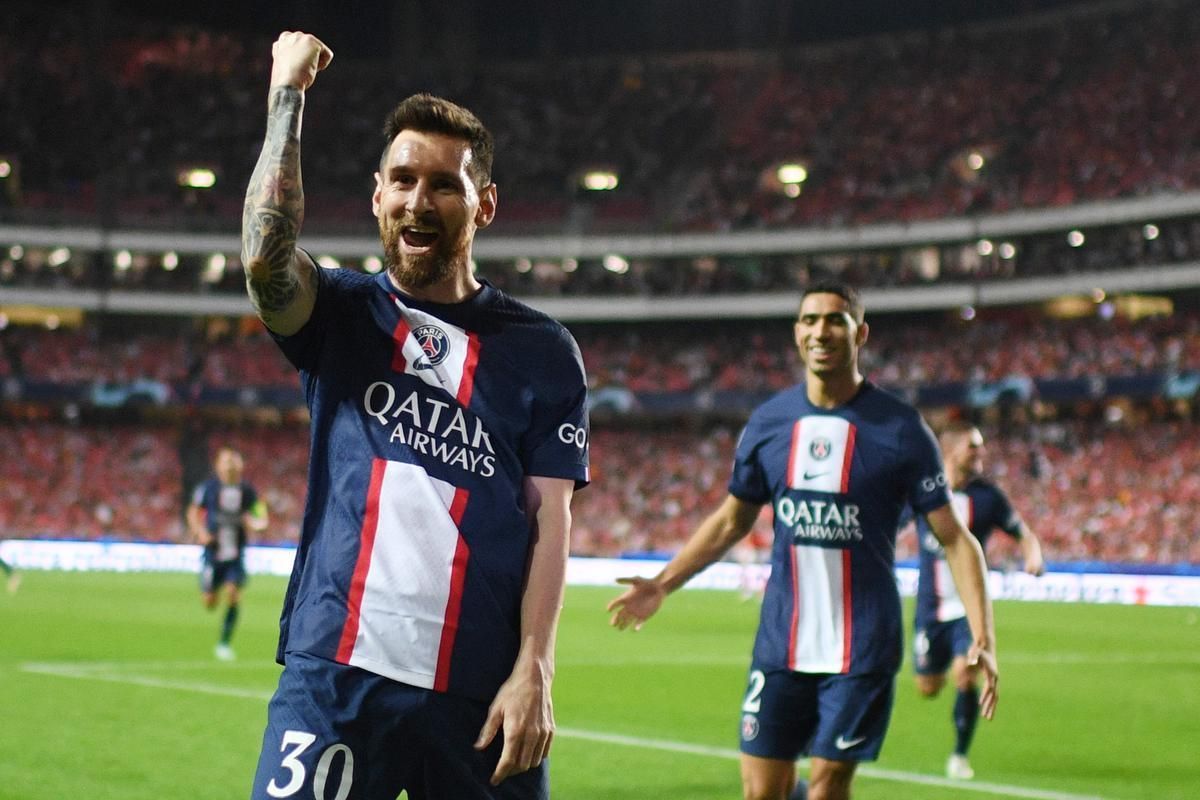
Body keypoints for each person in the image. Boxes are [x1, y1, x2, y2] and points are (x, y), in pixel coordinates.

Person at [240, 32, 589, 800]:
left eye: (443, 184)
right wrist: (287, 96)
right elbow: (266, 260)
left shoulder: (543, 351)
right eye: (401, 180)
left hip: (480, 694)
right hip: (337, 675)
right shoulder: (341, 313)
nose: (417, 202)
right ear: (376, 196)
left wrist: (536, 667)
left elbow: (550, 524)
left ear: (484, 204)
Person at [607, 281, 998, 800]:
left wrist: (983, 637)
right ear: (797, 334)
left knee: (827, 788)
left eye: (835, 320)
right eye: (810, 320)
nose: (821, 330)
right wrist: (661, 584)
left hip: (862, 648)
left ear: (859, 333)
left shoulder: (901, 429)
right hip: (781, 644)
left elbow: (956, 538)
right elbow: (731, 521)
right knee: (760, 791)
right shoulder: (770, 423)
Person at [911, 421, 1044, 781]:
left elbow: (1023, 532)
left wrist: (1033, 553)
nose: (981, 453)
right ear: (952, 450)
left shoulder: (988, 496)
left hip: (968, 608)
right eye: (974, 447)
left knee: (964, 674)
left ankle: (958, 755)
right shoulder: (925, 490)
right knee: (928, 687)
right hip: (930, 608)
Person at [187, 446, 267, 661]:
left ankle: (224, 643)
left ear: (240, 465)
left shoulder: (247, 490)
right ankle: (211, 588)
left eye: (233, 461)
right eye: (226, 461)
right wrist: (200, 532)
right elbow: (194, 512)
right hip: (213, 552)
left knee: (233, 594)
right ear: (218, 465)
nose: (230, 466)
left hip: (235, 553)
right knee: (210, 603)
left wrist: (259, 522)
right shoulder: (209, 488)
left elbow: (259, 510)